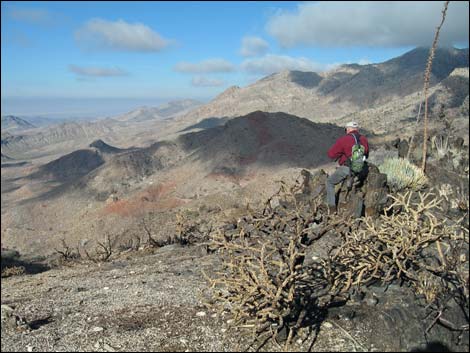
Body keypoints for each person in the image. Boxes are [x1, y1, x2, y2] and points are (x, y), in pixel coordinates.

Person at [326, 121, 369, 213]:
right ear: (357, 129)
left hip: (348, 169)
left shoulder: (344, 140)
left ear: (348, 129)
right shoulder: (364, 139)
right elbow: (367, 154)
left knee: (329, 182)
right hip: (363, 169)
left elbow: (331, 154)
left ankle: (332, 209)